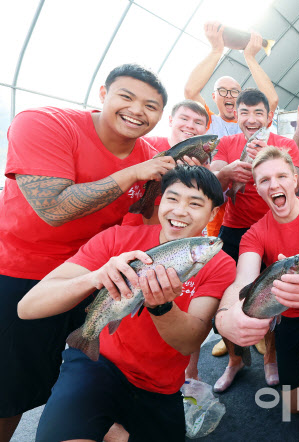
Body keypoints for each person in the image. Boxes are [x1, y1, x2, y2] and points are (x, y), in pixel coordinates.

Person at [0, 63, 175, 442]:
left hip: (100, 272)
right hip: (22, 274)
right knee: (10, 391)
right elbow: (54, 208)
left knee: (96, 367)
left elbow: (143, 214)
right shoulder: (45, 123)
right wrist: (130, 174)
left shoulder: (147, 153)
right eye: (126, 97)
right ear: (102, 94)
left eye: (151, 105)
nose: (137, 111)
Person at [16, 165, 235, 442]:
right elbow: (27, 307)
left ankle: (110, 429)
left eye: (195, 203)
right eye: (172, 198)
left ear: (213, 213)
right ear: (161, 200)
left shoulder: (221, 265)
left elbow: (189, 342)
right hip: (96, 365)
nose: (180, 211)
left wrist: (162, 307)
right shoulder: (116, 239)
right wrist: (96, 277)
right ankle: (104, 425)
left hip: (161, 386)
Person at [213, 146, 299, 441]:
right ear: (258, 189)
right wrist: (226, 315)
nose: (274, 184)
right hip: (289, 316)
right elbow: (242, 281)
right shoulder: (254, 233)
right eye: (264, 180)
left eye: (281, 176)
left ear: (294, 180)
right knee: (292, 404)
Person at [209, 88, 299, 388]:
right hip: (235, 230)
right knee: (227, 296)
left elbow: (292, 189)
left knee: (275, 298)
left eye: (258, 112)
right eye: (245, 112)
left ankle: (270, 357)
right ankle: (236, 361)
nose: (251, 119)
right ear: (236, 115)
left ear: (269, 117)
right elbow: (213, 186)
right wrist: (232, 167)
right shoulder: (225, 144)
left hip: (275, 229)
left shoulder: (285, 144)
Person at [122, 99, 210, 227]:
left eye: (198, 122)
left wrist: (200, 178)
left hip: (176, 228)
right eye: (184, 119)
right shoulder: (142, 144)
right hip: (133, 226)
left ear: (206, 129)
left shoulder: (204, 162)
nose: (190, 125)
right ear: (170, 120)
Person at [184, 21, 279, 138]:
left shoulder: (252, 123)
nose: (229, 96)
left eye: (234, 91)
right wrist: (216, 50)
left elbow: (272, 100)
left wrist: (250, 57)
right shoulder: (208, 121)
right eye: (222, 90)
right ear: (214, 96)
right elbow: (190, 91)